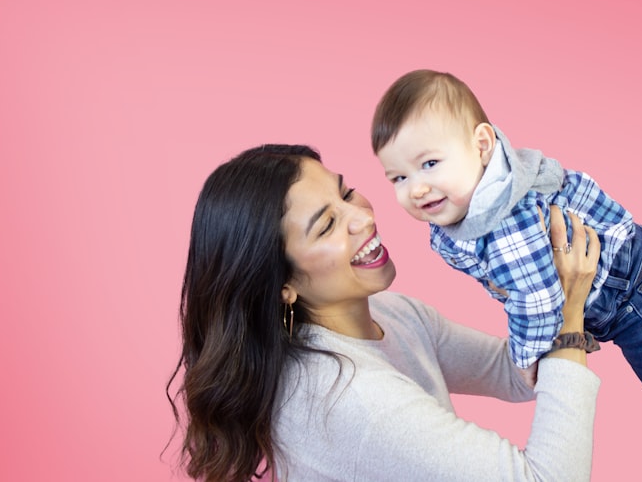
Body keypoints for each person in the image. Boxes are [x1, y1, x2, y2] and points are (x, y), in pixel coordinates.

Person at [371, 70, 642, 474]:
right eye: (399, 177)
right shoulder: (473, 192)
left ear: (481, 145)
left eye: (429, 163)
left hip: (636, 293)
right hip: (620, 285)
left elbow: (539, 302)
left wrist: (524, 357)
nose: (417, 189)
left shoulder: (505, 221)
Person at [167, 143, 604, 482]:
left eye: (346, 193)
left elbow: (513, 371)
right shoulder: (348, 398)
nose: (361, 217)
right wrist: (568, 312)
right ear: (283, 285)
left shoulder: (390, 314)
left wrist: (529, 280)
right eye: (327, 225)